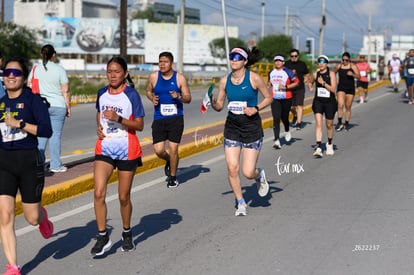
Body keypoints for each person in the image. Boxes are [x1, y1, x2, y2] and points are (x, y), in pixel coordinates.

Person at [0, 56, 53, 275]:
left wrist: (20, 124)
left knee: (31, 218)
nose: (11, 77)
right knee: (4, 215)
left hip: (28, 162)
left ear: (23, 78)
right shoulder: (1, 102)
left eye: (16, 73)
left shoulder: (33, 101)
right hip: (4, 163)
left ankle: (42, 216)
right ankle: (13, 266)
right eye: (7, 73)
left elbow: (46, 130)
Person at [91, 56, 145, 257]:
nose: (112, 75)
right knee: (98, 193)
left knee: (123, 197)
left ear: (125, 74)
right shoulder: (101, 93)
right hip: (104, 147)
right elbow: (99, 113)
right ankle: (103, 235)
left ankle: (127, 232)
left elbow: (139, 125)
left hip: (126, 148)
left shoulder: (131, 96)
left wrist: (119, 119)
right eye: (109, 71)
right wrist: (99, 126)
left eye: (116, 71)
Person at [211, 46, 272, 216]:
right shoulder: (224, 81)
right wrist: (213, 102)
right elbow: (220, 106)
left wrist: (256, 108)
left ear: (245, 61)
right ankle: (241, 202)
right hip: (232, 127)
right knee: (232, 168)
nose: (233, 60)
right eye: (231, 57)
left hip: (251, 127)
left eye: (237, 57)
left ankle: (259, 176)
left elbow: (269, 97)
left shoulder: (254, 78)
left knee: (247, 172)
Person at [146, 51, 191, 188]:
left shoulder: (180, 78)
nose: (162, 64)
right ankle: (170, 160)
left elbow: (188, 98)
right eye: (160, 62)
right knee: (159, 151)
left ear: (171, 64)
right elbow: (148, 91)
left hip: (175, 119)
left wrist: (178, 96)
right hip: (159, 118)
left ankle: (173, 177)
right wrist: (151, 98)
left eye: (165, 62)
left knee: (173, 149)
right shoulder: (154, 77)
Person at [28, 44, 71, 173]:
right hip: (58, 105)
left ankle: (39, 165)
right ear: (54, 55)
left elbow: (29, 86)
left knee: (41, 136)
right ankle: (55, 165)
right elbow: (66, 90)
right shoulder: (60, 69)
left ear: (42, 54)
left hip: (40, 106)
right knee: (55, 136)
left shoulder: (35, 69)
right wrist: (68, 106)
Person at [308, 55, 338, 157]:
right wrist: (310, 87)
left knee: (329, 125)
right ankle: (319, 147)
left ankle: (329, 144)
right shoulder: (316, 74)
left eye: (323, 62)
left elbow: (334, 89)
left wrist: (323, 83)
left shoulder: (332, 74)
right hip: (318, 102)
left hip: (330, 102)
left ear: (327, 64)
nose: (320, 64)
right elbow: (310, 81)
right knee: (318, 124)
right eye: (319, 62)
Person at [268, 54, 299, 149]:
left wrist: (286, 87)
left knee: (284, 117)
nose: (278, 62)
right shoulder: (271, 72)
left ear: (283, 62)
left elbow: (297, 82)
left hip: (286, 98)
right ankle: (277, 140)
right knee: (276, 118)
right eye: (276, 61)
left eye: (280, 61)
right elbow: (269, 83)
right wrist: (268, 87)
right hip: (275, 99)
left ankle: (287, 130)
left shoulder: (287, 71)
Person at [333, 52, 360, 131]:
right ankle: (339, 122)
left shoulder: (353, 66)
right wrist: (334, 80)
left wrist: (352, 74)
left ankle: (347, 123)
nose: (344, 61)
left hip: (350, 88)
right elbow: (332, 73)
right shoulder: (339, 66)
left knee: (348, 106)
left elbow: (359, 76)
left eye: (346, 60)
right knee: (340, 105)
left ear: (349, 60)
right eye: (343, 60)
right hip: (341, 87)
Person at [284, 48, 310, 130]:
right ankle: (295, 115)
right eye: (292, 56)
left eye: (295, 56)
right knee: (290, 107)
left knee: (299, 105)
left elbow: (307, 74)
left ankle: (299, 123)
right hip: (289, 88)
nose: (294, 57)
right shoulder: (286, 64)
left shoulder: (302, 64)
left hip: (300, 88)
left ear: (298, 56)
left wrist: (306, 79)